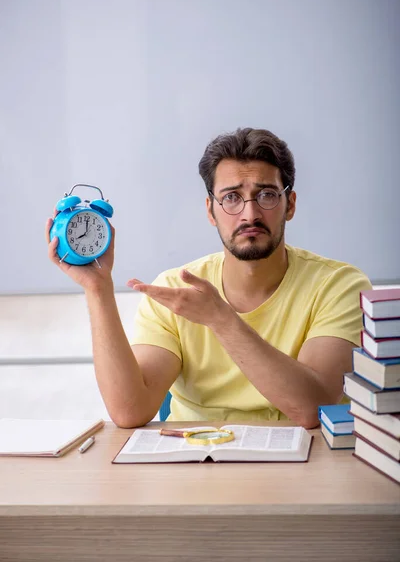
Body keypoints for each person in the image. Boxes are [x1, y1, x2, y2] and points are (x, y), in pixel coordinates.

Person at [46, 128, 371, 429]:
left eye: (267, 195)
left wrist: (222, 320)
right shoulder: (176, 290)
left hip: (304, 470)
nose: (250, 214)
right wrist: (98, 289)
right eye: (231, 197)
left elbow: (313, 409)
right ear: (210, 210)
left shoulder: (339, 286)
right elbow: (130, 410)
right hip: (194, 465)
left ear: (290, 205)